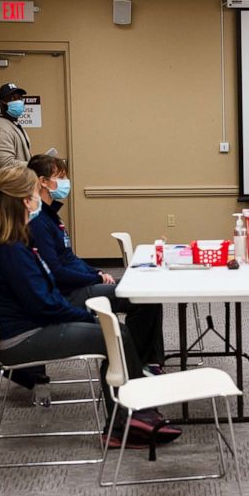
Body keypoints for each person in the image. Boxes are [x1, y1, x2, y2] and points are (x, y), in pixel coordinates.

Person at [0, 163, 179, 447]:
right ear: (25, 200)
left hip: (31, 327)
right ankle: (130, 420)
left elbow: (44, 299)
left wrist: (83, 316)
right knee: (112, 333)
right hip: (24, 338)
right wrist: (85, 315)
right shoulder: (11, 251)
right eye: (35, 193)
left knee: (112, 332)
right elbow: (45, 306)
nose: (38, 202)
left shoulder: (8, 244)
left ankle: (134, 415)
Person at [25, 155, 168, 379]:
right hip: (68, 295)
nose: (65, 183)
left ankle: (149, 361)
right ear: (43, 182)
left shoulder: (52, 218)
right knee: (143, 298)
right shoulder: (39, 222)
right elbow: (56, 273)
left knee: (147, 294)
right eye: (60, 177)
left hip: (79, 286)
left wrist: (96, 273)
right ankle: (138, 364)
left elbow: (70, 259)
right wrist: (94, 280)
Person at [0, 82, 32, 173]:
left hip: (21, 185)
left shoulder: (13, 124)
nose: (17, 101)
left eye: (19, 98)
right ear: (1, 103)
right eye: (12, 98)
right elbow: (6, 165)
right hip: (9, 187)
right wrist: (36, 165)